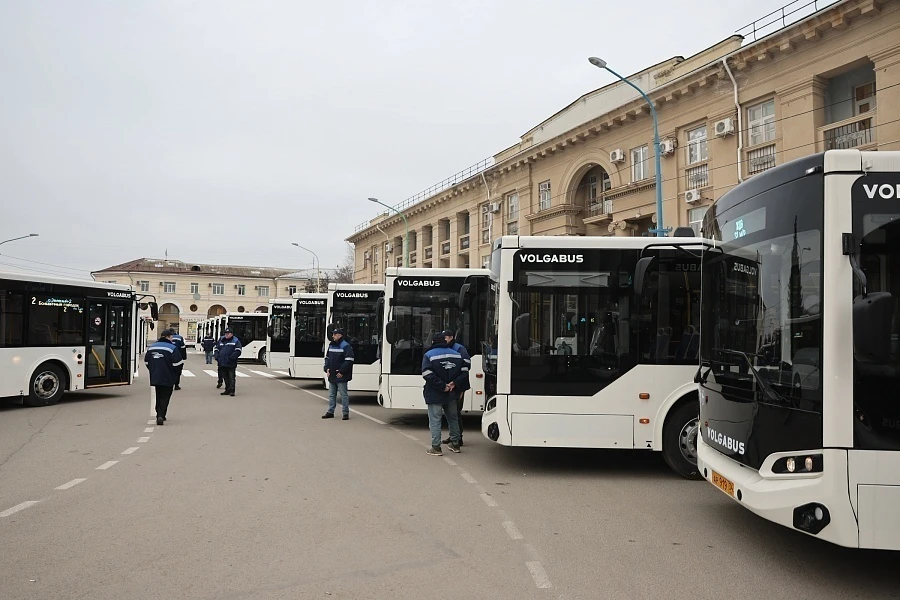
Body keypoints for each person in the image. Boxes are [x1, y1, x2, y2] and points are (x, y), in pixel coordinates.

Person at [422, 332, 465, 456]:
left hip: (435, 392)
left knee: (435, 419)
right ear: (445, 341)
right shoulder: (457, 355)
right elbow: (464, 372)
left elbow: (427, 374)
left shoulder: (429, 355)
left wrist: (442, 386)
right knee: (453, 418)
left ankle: (436, 447)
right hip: (452, 392)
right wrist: (453, 384)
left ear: (433, 342)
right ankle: (455, 444)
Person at [144, 329, 183, 426]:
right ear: (167, 337)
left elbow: (147, 362)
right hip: (168, 376)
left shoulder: (152, 347)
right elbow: (178, 363)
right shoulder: (172, 348)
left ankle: (158, 413)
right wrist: (175, 374)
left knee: (158, 394)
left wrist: (153, 370)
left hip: (155, 376)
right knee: (165, 396)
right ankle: (161, 415)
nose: (172, 339)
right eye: (171, 337)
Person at [440, 329, 470, 447]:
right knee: (451, 413)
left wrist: (457, 384)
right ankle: (454, 435)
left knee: (456, 412)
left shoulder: (459, 348)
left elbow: (466, 366)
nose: (444, 340)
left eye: (445, 338)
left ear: (451, 337)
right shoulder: (450, 348)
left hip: (458, 385)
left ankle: (458, 438)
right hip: (452, 385)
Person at [322, 327, 354, 420]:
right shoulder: (331, 345)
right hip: (332, 374)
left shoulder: (345, 346)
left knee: (343, 394)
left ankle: (345, 413)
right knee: (332, 395)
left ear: (340, 335)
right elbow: (327, 358)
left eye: (335, 334)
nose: (333, 336)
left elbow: (349, 360)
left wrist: (342, 371)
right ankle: (330, 411)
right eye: (333, 334)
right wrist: (327, 368)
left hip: (340, 375)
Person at [216, 327, 242, 396]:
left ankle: (232, 391)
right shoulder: (221, 340)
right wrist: (217, 356)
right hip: (222, 362)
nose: (226, 335)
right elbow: (217, 349)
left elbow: (238, 351)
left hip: (231, 363)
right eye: (226, 333)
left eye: (228, 333)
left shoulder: (235, 340)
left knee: (231, 377)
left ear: (232, 334)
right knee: (225, 377)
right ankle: (227, 390)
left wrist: (231, 358)